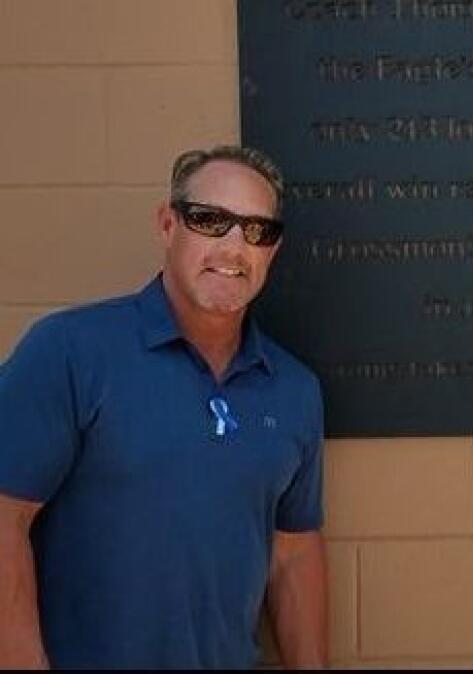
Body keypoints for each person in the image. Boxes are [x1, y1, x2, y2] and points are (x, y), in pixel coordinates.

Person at [0, 145, 328, 669]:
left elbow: (291, 553)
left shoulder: (293, 391)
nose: (233, 245)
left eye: (256, 229)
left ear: (273, 250)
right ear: (168, 223)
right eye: (210, 220)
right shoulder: (69, 352)